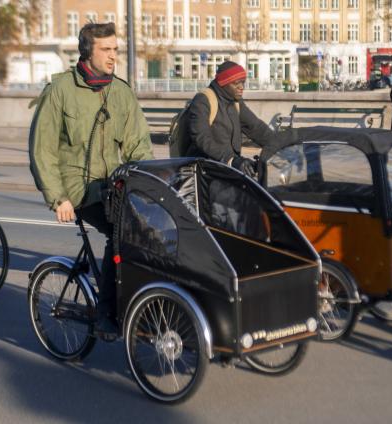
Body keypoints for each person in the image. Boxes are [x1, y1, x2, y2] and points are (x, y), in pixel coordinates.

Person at [29, 22, 154, 335]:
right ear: (88, 51)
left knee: (152, 230)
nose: (114, 56)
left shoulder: (121, 92)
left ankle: (142, 301)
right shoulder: (60, 91)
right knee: (120, 231)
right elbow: (42, 150)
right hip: (79, 189)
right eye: (106, 50)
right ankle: (107, 312)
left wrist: (150, 188)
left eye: (116, 49)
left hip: (115, 186)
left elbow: (139, 146)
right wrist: (58, 198)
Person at [185, 61, 276, 177]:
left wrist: (281, 144)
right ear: (224, 83)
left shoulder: (235, 102)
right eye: (236, 83)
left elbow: (256, 127)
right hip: (205, 172)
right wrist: (232, 160)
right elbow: (201, 138)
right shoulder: (203, 100)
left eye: (243, 82)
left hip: (229, 169)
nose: (241, 87)